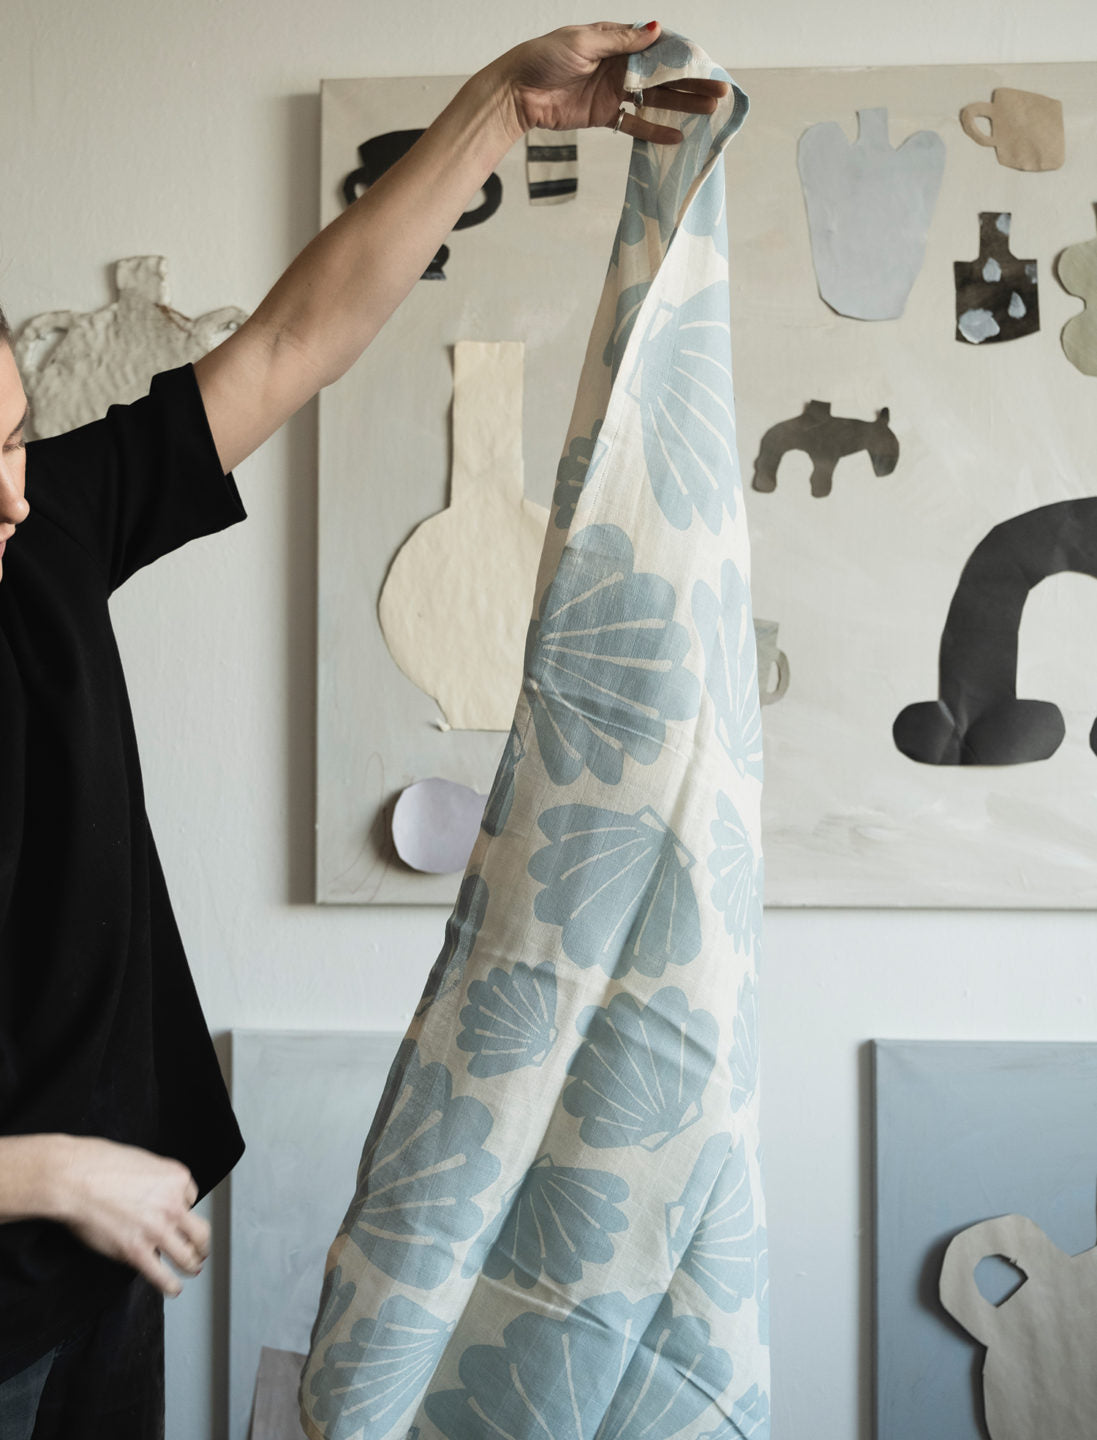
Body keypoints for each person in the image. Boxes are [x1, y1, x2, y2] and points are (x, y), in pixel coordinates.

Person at [0, 20, 726, 1438]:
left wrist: (494, 114)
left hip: (104, 1254)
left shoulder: (51, 536)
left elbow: (290, 340)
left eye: (13, 437)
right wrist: (46, 1174)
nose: (8, 495)